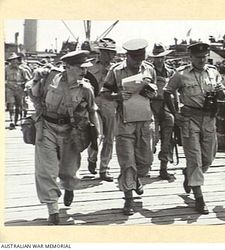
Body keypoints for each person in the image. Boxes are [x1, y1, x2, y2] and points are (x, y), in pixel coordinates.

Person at [27, 50, 101, 225]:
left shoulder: (86, 89)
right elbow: (32, 93)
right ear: (67, 67)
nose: (84, 71)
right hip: (46, 128)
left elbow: (92, 112)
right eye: (80, 68)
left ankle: (68, 186)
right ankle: (52, 208)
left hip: (71, 132)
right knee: (46, 169)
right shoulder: (49, 78)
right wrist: (36, 79)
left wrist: (97, 135)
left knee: (68, 171)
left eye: (85, 68)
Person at [164, 42, 225, 214]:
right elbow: (167, 92)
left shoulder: (213, 72)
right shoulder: (181, 74)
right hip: (189, 119)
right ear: (190, 57)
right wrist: (175, 113)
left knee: (208, 158)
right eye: (198, 57)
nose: (201, 60)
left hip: (209, 119)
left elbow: (220, 88)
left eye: (204, 57)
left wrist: (221, 93)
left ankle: (188, 175)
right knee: (195, 159)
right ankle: (199, 198)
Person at [100, 38, 157, 215]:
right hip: (125, 123)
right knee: (127, 162)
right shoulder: (116, 71)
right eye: (135, 59)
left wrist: (152, 91)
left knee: (146, 162)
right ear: (128, 56)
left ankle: (136, 180)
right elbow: (104, 93)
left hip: (146, 121)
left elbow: (154, 91)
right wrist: (117, 96)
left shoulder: (149, 69)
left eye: (141, 58)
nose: (138, 62)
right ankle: (128, 200)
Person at [87, 38, 117, 182]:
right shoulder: (89, 66)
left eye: (111, 53)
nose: (109, 56)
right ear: (100, 52)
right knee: (96, 134)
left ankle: (104, 169)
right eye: (106, 52)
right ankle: (92, 158)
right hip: (93, 103)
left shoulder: (117, 69)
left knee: (109, 138)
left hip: (110, 103)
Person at [149, 43, 175, 180]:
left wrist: (176, 110)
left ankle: (163, 168)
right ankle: (145, 163)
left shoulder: (171, 72)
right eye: (157, 57)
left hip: (166, 106)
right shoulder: (148, 71)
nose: (159, 60)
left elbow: (175, 91)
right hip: (152, 105)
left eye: (162, 57)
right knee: (152, 136)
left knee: (167, 139)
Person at [5, 52, 31, 128]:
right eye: (11, 60)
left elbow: (27, 80)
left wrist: (25, 88)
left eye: (15, 60)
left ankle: (17, 120)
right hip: (10, 88)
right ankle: (12, 121)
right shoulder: (6, 69)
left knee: (19, 106)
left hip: (19, 89)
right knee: (11, 104)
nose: (13, 62)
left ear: (17, 60)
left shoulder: (22, 69)